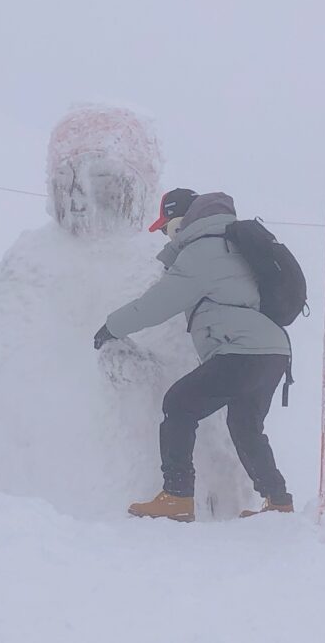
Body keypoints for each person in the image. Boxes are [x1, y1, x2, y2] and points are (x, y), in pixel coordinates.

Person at [95, 188, 294, 521]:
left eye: (166, 226)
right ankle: (278, 500)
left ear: (181, 221)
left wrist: (111, 327)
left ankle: (176, 495)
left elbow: (157, 303)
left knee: (178, 404)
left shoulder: (202, 252)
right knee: (245, 425)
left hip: (240, 350)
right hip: (272, 351)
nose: (163, 234)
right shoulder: (231, 245)